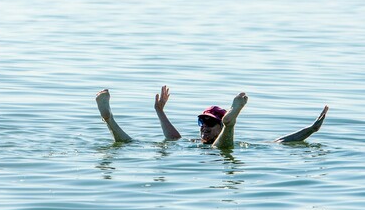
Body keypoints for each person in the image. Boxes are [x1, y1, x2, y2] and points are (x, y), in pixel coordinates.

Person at [96, 85, 328, 148]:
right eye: (201, 122)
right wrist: (160, 111)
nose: (204, 127)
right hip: (213, 149)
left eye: (209, 123)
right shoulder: (194, 143)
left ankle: (231, 123)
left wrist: (311, 129)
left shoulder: (224, 145)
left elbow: (281, 142)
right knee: (129, 143)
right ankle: (109, 119)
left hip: (221, 149)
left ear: (218, 124)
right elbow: (173, 138)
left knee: (221, 149)